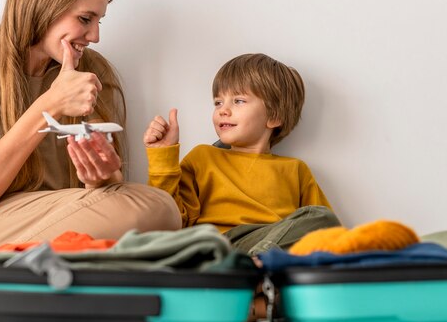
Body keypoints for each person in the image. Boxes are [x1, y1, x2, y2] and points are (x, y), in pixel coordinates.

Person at [0, 0, 181, 251]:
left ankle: (30, 260)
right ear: (45, 5)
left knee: (156, 208)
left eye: (99, 22)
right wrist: (50, 104)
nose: (95, 36)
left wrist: (101, 177)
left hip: (63, 219)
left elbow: (105, 194)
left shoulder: (93, 71)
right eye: (85, 19)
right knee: (157, 209)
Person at [143, 53, 341, 256]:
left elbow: (324, 230)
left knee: (322, 217)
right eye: (218, 102)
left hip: (270, 244)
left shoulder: (295, 169)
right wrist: (163, 157)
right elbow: (168, 220)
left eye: (238, 101)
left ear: (274, 116)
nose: (223, 110)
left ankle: (257, 261)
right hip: (216, 245)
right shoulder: (203, 157)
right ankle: (255, 265)